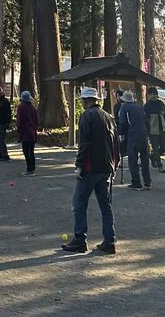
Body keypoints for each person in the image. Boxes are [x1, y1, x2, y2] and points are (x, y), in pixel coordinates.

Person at [62, 86, 118, 255]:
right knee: (105, 205)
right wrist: (115, 165)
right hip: (106, 167)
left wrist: (79, 166)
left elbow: (85, 144)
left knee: (79, 203)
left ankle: (80, 239)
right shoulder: (109, 117)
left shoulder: (87, 116)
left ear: (85, 101)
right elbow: (116, 144)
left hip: (90, 167)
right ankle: (110, 240)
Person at [118, 89, 151, 190]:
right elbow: (147, 121)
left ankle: (136, 182)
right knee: (144, 159)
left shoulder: (124, 108)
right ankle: (147, 182)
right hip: (143, 134)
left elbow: (123, 123)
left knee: (133, 160)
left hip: (133, 135)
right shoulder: (139, 107)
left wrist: (121, 134)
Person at [144, 87, 165, 172]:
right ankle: (159, 165)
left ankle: (152, 157)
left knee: (164, 147)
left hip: (161, 129)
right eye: (152, 94)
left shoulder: (161, 104)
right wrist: (146, 131)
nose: (154, 96)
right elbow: (145, 120)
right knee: (155, 148)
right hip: (152, 130)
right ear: (148, 95)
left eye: (155, 94)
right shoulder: (147, 106)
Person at [16, 90, 38, 175]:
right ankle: (32, 168)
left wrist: (18, 129)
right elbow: (36, 120)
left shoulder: (21, 107)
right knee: (31, 151)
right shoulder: (32, 108)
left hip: (25, 131)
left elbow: (19, 120)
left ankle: (29, 169)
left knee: (26, 151)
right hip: (32, 131)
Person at [0, 86, 12, 161]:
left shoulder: (5, 101)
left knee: (1, 140)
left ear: (2, 93)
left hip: (2, 123)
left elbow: (8, 113)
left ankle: (5, 155)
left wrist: (7, 123)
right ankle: (0, 154)